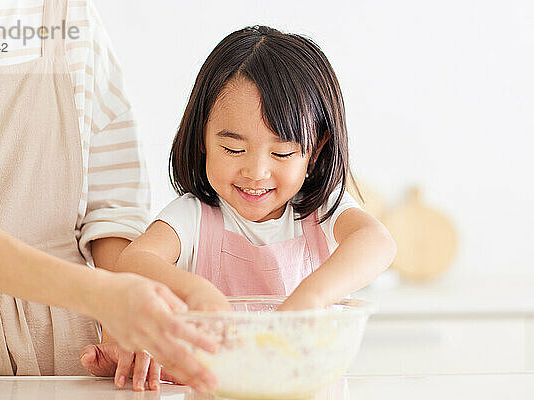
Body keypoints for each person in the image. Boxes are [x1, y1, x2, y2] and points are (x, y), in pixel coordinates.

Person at [79, 25, 397, 391]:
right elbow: (134, 261)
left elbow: (378, 241)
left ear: (316, 148)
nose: (256, 172)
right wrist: (196, 292)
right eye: (233, 149)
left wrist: (309, 299)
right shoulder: (194, 215)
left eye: (282, 152)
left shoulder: (321, 211)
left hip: (304, 386)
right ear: (202, 137)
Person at [0, 0, 215, 392]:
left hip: (67, 343)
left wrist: (126, 331)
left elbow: (113, 207)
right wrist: (105, 297)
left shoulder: (69, 17)